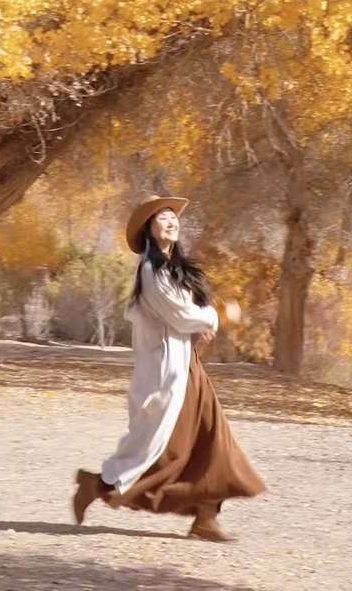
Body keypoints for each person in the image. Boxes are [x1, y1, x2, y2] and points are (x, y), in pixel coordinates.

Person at [72, 194, 266, 542]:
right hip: (167, 373)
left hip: (187, 367)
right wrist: (218, 316)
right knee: (165, 450)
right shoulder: (151, 272)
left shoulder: (174, 269)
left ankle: (206, 517)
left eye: (173, 217)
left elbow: (183, 319)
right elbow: (179, 316)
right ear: (149, 228)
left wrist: (200, 329)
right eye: (162, 218)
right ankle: (97, 486)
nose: (172, 222)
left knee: (213, 439)